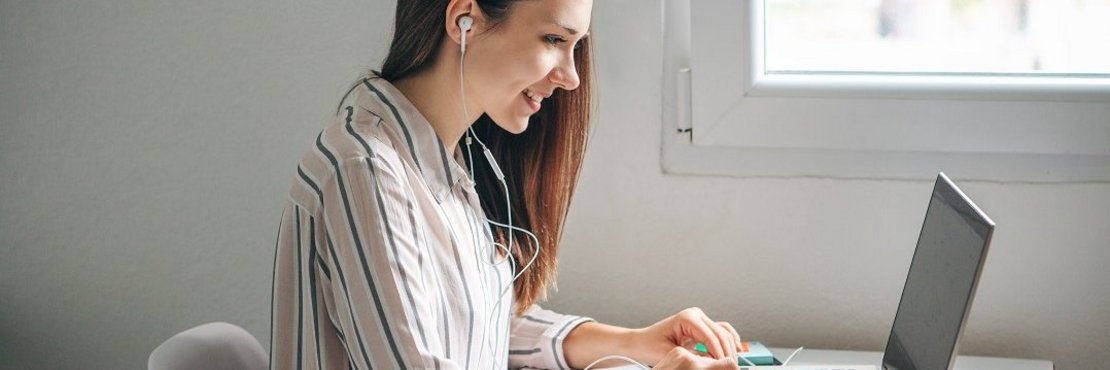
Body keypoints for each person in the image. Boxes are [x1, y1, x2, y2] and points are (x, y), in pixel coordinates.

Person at [270, 0, 743, 369]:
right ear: (464, 21)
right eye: (555, 38)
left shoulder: (445, 158)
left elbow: (471, 321)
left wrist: (634, 343)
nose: (573, 77)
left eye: (575, 45)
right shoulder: (366, 169)